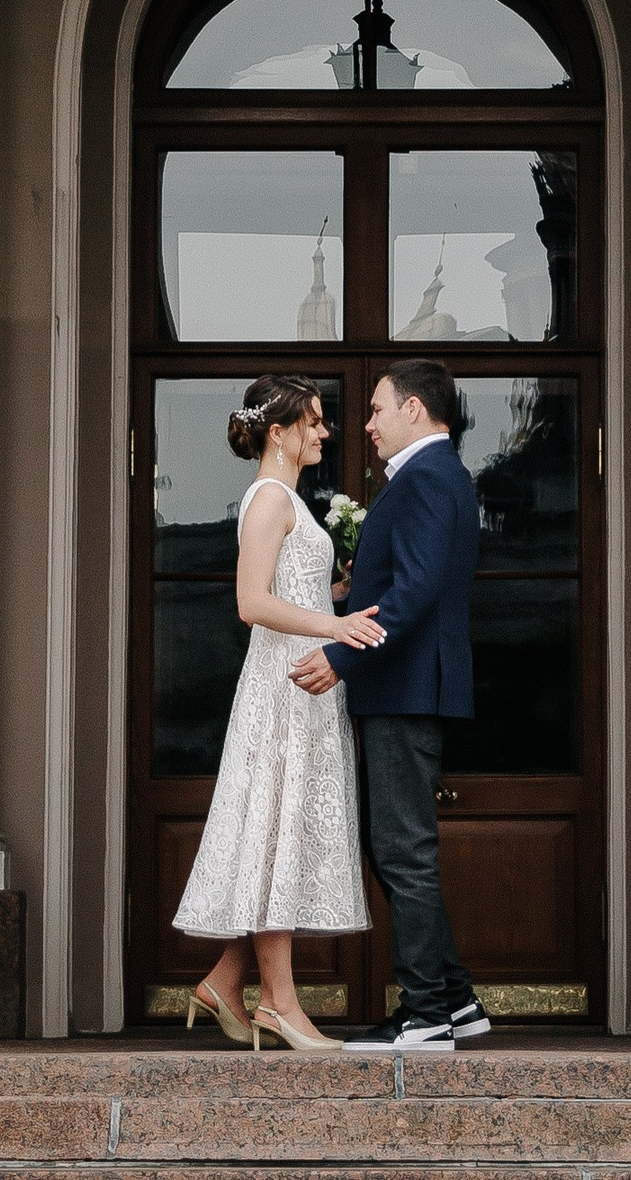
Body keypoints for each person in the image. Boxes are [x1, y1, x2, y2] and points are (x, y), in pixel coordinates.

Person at [170, 375, 381, 1052]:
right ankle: (281, 1007)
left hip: (301, 692)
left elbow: (291, 584)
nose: (324, 433)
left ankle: (225, 983)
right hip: (280, 692)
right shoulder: (267, 499)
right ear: (279, 430)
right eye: (314, 422)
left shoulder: (289, 499)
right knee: (274, 837)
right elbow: (252, 603)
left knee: (276, 844)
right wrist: (338, 623)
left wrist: (339, 585)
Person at [289, 358, 485, 1052]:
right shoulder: (432, 477)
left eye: (376, 409)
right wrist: (347, 594)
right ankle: (455, 1000)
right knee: (398, 848)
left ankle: (427, 1012)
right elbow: (406, 580)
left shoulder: (429, 476)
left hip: (404, 688)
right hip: (403, 685)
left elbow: (418, 589)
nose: (365, 424)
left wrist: (340, 655)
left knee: (402, 850)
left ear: (415, 410)